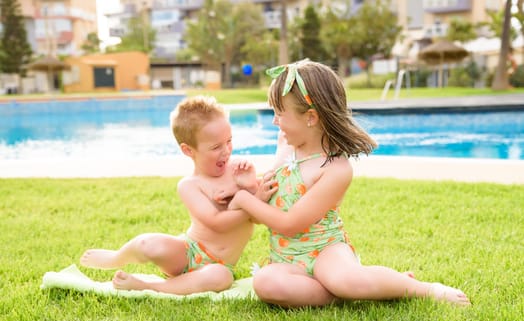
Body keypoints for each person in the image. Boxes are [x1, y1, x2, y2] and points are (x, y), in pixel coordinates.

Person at [227, 59, 471, 308]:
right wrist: (252, 191)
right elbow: (265, 215)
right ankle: (357, 290)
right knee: (266, 283)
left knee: (346, 280)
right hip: (287, 258)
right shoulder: (285, 145)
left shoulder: (335, 168)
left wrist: (244, 201)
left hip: (326, 251)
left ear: (310, 117)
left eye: (279, 114)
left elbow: (289, 224)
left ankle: (420, 289)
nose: (274, 122)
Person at [80, 95, 276, 295]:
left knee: (221, 277)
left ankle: (150, 287)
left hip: (219, 265)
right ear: (188, 150)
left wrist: (251, 187)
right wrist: (254, 201)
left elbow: (259, 219)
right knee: (149, 244)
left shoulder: (238, 173)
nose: (226, 151)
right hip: (187, 252)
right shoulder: (189, 185)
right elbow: (217, 222)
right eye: (216, 147)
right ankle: (117, 258)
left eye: (229, 141)